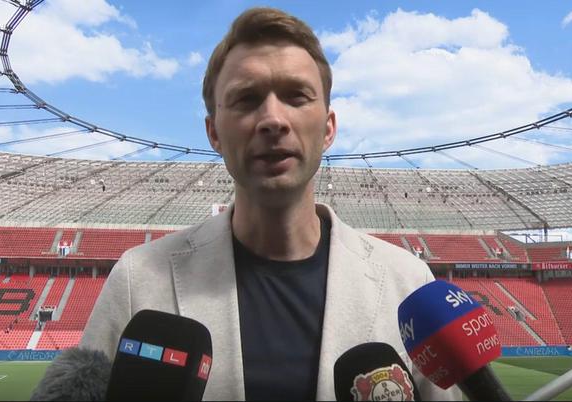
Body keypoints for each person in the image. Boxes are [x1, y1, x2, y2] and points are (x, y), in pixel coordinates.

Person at [80, 7, 460, 401]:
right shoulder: (138, 280)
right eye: (246, 99)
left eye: (296, 96)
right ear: (214, 132)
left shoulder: (408, 284)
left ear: (328, 128)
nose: (273, 120)